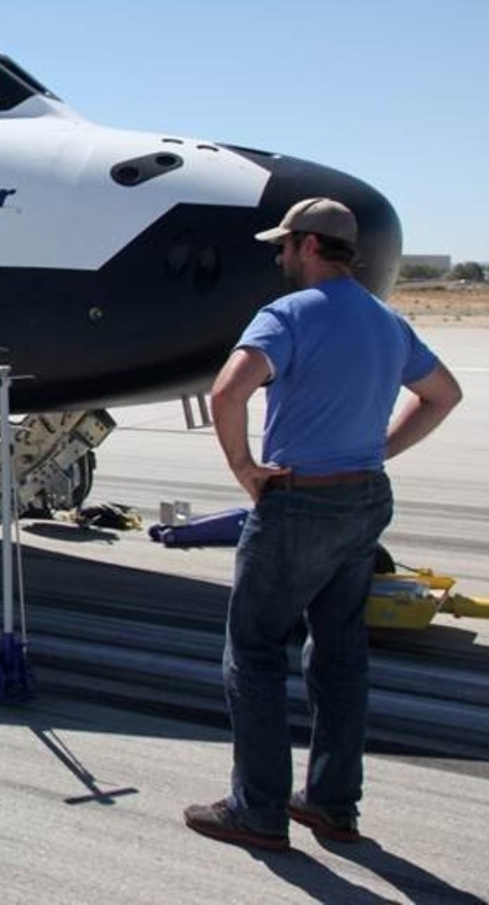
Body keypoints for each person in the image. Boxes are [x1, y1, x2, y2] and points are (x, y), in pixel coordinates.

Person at [186, 197, 462, 852]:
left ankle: (258, 810)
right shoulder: (387, 322)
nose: (278, 255)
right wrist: (380, 451)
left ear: (309, 245)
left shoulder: (286, 315)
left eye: (283, 245)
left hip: (299, 504)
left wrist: (246, 469)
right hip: (364, 500)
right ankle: (334, 805)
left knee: (253, 652)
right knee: (340, 655)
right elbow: (443, 395)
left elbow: (228, 391)